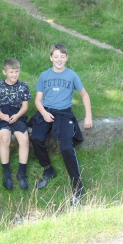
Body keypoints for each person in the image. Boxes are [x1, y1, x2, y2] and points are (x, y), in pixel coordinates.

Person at [29, 44, 93, 204]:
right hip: (47, 111)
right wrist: (43, 113)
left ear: (66, 58)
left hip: (64, 113)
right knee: (36, 138)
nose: (59, 59)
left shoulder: (72, 75)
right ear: (51, 57)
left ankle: (78, 189)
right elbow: (38, 100)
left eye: (62, 56)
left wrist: (88, 116)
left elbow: (84, 95)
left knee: (66, 147)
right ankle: (48, 170)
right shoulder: (44, 75)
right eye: (56, 56)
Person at [0, 58, 31, 190]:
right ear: (4, 72)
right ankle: (6, 172)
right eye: (11, 72)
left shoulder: (23, 86)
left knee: (24, 138)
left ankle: (21, 173)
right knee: (5, 138)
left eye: (17, 71)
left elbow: (25, 106)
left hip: (16, 114)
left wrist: (17, 115)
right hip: (1, 114)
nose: (14, 75)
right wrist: (2, 116)